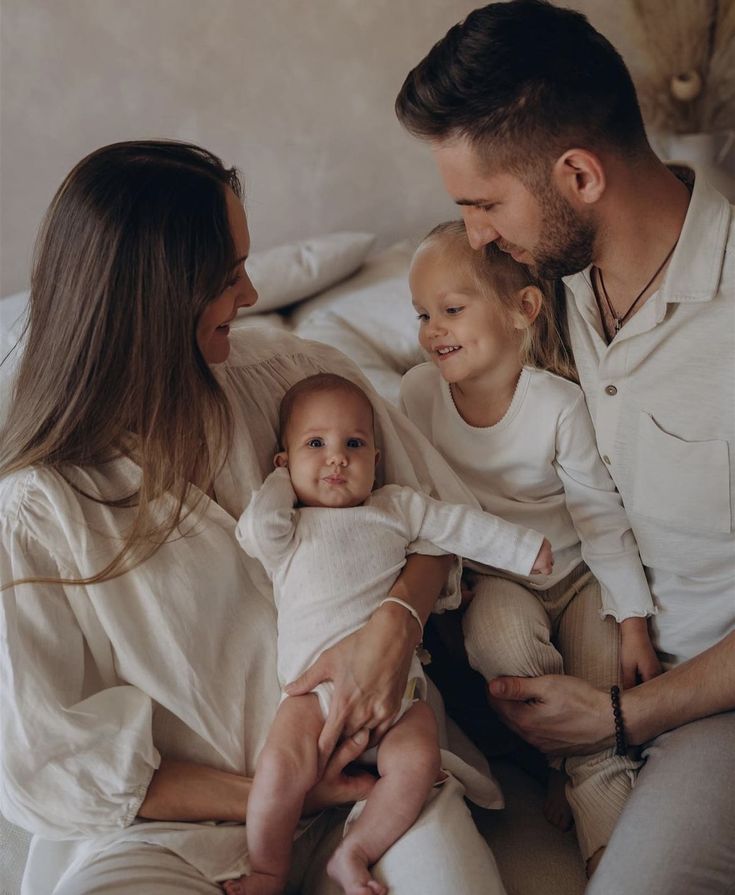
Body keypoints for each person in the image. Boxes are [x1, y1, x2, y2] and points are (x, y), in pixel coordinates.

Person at [0, 140, 512, 895]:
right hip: (167, 838)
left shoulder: (287, 380)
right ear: (155, 298)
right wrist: (276, 792)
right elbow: (49, 766)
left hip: (374, 788)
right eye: (226, 274)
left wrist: (396, 622)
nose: (248, 291)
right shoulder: (37, 514)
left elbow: (440, 522)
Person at [395, 2, 735, 893]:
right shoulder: (553, 290)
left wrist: (621, 714)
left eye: (482, 205)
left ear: (578, 174)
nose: (475, 237)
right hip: (572, 642)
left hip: (706, 700)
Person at [230, 372, 551, 895]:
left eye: (353, 444)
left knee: (419, 761)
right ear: (284, 462)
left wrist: (521, 549)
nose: (337, 458)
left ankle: (354, 851)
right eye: (316, 444)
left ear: (376, 460)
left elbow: (457, 525)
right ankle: (269, 867)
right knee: (280, 766)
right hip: (313, 695)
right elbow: (253, 530)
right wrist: (280, 484)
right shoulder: (288, 528)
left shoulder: (395, 508)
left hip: (400, 693)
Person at [401, 221, 658, 873]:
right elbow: (419, 504)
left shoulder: (557, 405)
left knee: (601, 696)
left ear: (522, 309)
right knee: (502, 647)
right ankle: (556, 758)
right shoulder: (416, 396)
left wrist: (631, 619)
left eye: (451, 310)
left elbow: (600, 515)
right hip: (498, 581)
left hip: (578, 576)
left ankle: (609, 849)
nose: (433, 329)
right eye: (422, 314)